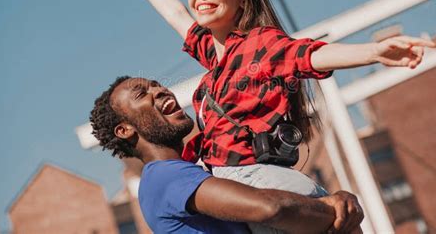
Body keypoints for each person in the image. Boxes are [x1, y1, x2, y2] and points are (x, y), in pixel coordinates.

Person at [105, 0, 435, 232]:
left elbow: (307, 55)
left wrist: (373, 52)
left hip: (259, 179)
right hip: (248, 180)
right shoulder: (212, 54)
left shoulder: (261, 45)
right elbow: (175, 12)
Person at [89, 76, 364, 234]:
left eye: (155, 84)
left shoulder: (181, 171)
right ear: (124, 130)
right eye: (142, 93)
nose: (159, 90)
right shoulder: (164, 177)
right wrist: (334, 207)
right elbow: (269, 207)